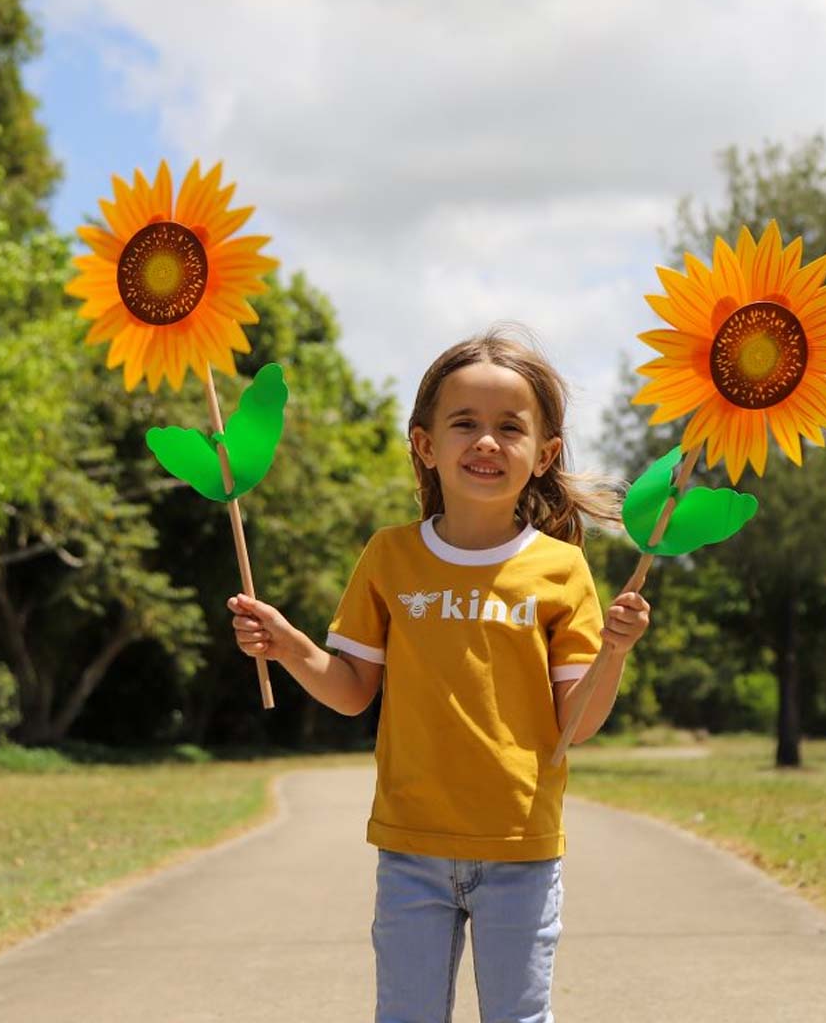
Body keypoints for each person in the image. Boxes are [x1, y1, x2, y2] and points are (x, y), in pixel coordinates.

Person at [228, 326, 651, 1023]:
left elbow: (577, 722)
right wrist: (289, 645)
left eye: (509, 427)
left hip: (521, 847)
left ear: (543, 455)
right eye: (464, 424)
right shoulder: (389, 556)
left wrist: (615, 652)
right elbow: (352, 689)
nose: (486, 442)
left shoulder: (562, 569)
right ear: (425, 444)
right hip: (410, 845)